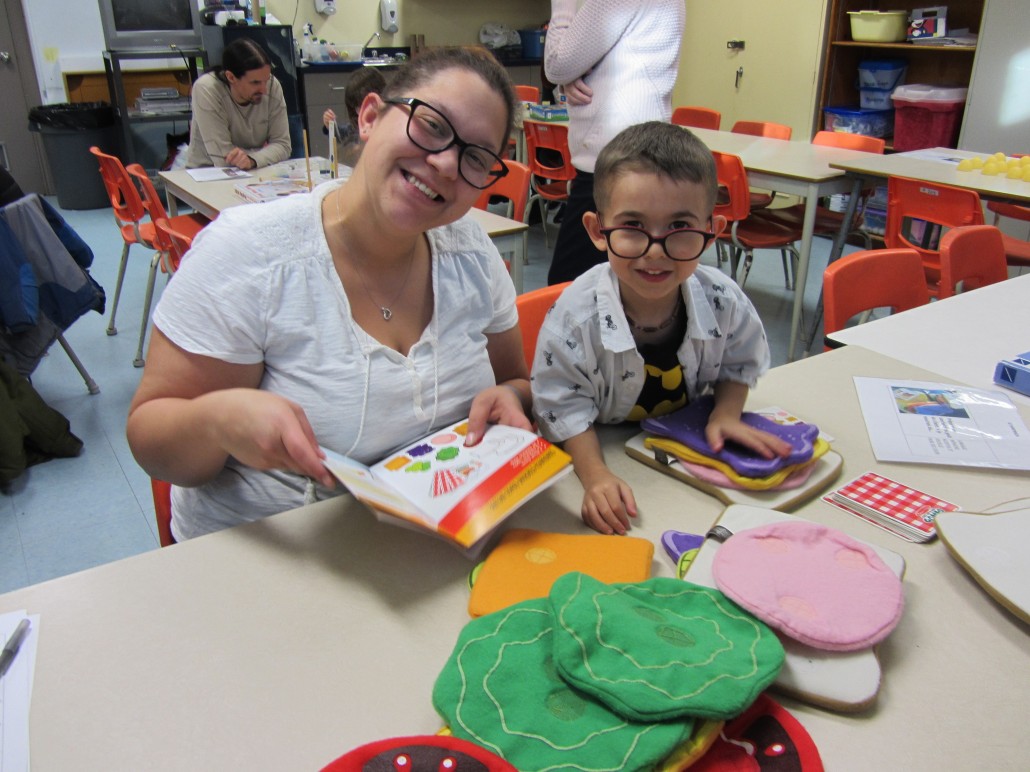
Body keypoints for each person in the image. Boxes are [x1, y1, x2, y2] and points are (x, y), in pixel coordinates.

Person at [128, 47, 531, 541]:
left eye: (476, 157)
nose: (447, 163)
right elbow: (151, 441)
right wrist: (218, 420)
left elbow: (516, 382)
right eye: (431, 126)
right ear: (369, 117)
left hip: (428, 550)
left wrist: (509, 397)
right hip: (274, 562)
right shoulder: (253, 254)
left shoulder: (470, 252)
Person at [530, 122, 791, 536]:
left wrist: (725, 414)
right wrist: (595, 475)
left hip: (679, 455)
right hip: (605, 447)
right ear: (599, 231)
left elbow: (740, 361)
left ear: (711, 234)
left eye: (679, 229)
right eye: (632, 227)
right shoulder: (575, 317)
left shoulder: (723, 299)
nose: (655, 251)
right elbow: (561, 403)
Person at [543, 0, 685, 285]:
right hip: (639, 155)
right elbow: (604, 63)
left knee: (566, 287)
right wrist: (568, 80)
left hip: (611, 163)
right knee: (620, 285)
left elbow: (557, 64)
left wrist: (563, 5)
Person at [184, 38, 292, 170]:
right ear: (231, 77)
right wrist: (261, 156)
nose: (264, 90)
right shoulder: (207, 88)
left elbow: (283, 145)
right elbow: (223, 157)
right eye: (255, 83)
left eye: (266, 80)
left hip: (253, 170)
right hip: (208, 172)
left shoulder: (272, 86)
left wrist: (252, 159)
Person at [322, 66, 388, 168]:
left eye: (365, 106)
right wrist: (330, 126)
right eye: (357, 107)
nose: (361, 112)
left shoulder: (390, 127)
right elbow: (342, 136)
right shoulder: (356, 126)